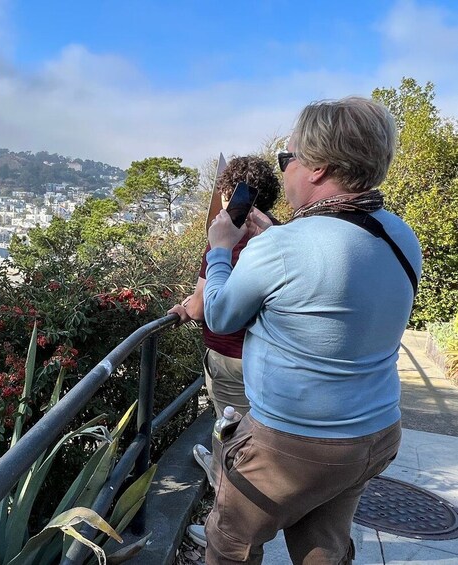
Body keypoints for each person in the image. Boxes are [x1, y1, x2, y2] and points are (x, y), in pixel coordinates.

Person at [198, 97, 421, 565]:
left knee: (230, 540)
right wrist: (273, 240)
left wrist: (221, 249)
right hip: (376, 432)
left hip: (295, 444)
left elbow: (217, 314)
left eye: (288, 158)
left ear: (317, 167)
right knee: (324, 543)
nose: (283, 171)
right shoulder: (399, 234)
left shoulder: (283, 247)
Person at [168, 156, 281, 491]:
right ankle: (220, 469)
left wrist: (186, 307)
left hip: (230, 357)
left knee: (234, 436)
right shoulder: (280, 235)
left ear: (230, 195)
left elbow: (204, 308)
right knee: (256, 434)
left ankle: (225, 511)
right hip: (269, 356)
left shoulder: (224, 239)